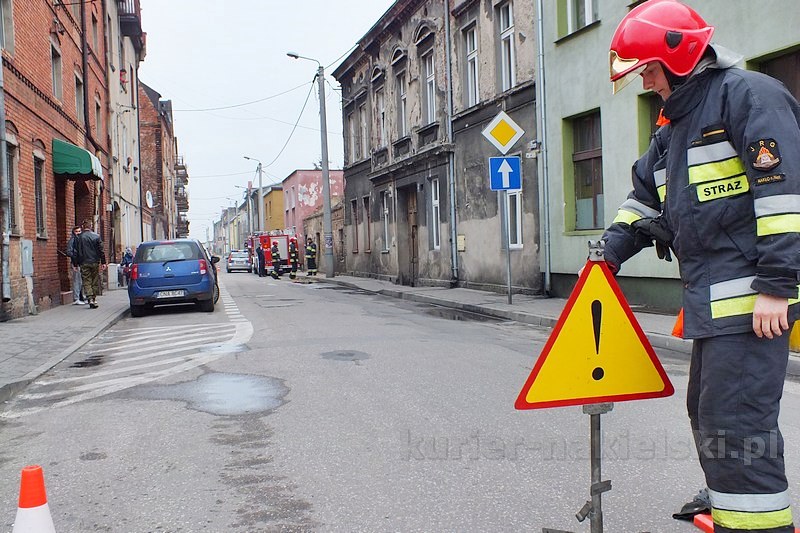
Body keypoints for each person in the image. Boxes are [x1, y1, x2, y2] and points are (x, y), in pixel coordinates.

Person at [605, 2, 800, 531]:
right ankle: (729, 502)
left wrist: (777, 286)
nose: (645, 82)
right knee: (711, 415)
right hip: (714, 308)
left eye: (647, 69)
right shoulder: (674, 129)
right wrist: (604, 257)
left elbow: (783, 195)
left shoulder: (748, 96)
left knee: (738, 424)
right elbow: (643, 203)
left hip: (755, 304)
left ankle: (759, 524)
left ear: (679, 56)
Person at [75, 220, 107, 309]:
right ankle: (94, 299)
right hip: (94, 262)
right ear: (91, 226)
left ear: (83, 227)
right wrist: (103, 262)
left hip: (84, 262)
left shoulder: (79, 237)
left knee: (86, 281)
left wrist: (75, 263)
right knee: (94, 280)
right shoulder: (96, 236)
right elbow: (101, 250)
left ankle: (90, 299)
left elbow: (76, 252)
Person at [65, 225, 85, 305]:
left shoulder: (80, 240)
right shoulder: (72, 240)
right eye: (76, 231)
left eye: (80, 231)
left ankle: (81, 297)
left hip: (81, 263)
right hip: (75, 263)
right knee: (77, 281)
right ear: (74, 232)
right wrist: (75, 258)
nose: (78, 233)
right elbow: (69, 252)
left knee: (81, 281)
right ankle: (76, 298)